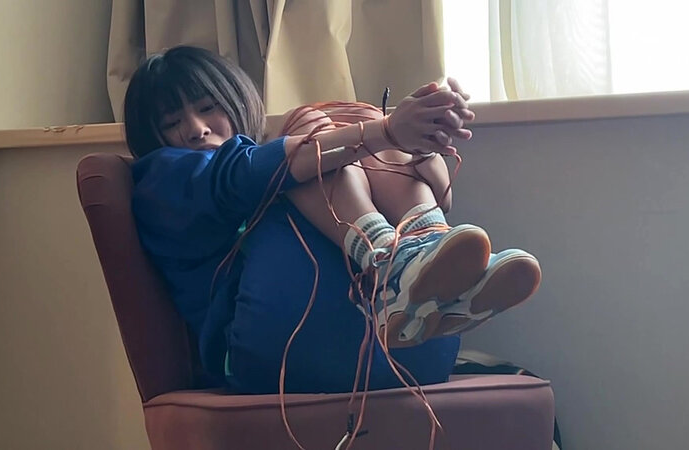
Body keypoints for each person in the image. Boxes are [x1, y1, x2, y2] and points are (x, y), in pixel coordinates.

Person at [125, 45, 541, 394]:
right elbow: (242, 173)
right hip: (277, 350)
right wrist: (386, 132)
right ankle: (391, 263)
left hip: (412, 347)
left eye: (207, 108)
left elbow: (442, 192)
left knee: (348, 123)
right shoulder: (162, 177)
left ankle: (422, 253)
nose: (195, 129)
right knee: (309, 140)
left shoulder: (273, 163)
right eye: (172, 123)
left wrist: (427, 131)